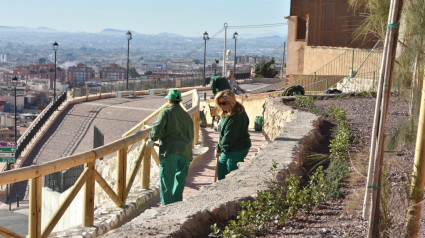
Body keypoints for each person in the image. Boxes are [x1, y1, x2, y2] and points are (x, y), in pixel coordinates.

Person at [146, 89, 194, 205]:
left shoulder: (165, 112)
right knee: (180, 181)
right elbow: (191, 134)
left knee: (167, 182)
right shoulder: (187, 115)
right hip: (185, 152)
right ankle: (177, 206)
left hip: (170, 151)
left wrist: (152, 139)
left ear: (169, 100)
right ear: (179, 101)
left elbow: (157, 128)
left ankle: (166, 209)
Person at [214, 89, 251, 180]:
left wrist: (218, 148)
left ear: (231, 101)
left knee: (232, 173)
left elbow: (229, 137)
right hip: (228, 149)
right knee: (221, 170)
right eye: (220, 103)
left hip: (237, 148)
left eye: (224, 103)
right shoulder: (228, 112)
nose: (222, 106)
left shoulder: (236, 116)